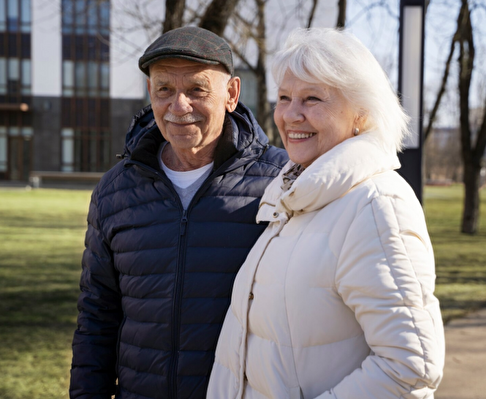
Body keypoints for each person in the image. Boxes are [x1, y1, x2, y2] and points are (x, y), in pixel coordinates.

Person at [207, 28, 445, 399]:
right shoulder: (296, 197)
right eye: (284, 98)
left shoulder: (376, 204)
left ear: (360, 115)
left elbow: (410, 366)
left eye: (312, 99)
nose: (290, 115)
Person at [69, 26, 288, 399]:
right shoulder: (115, 190)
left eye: (197, 89)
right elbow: (97, 317)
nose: (178, 106)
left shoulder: (281, 183)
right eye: (164, 89)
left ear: (231, 94)